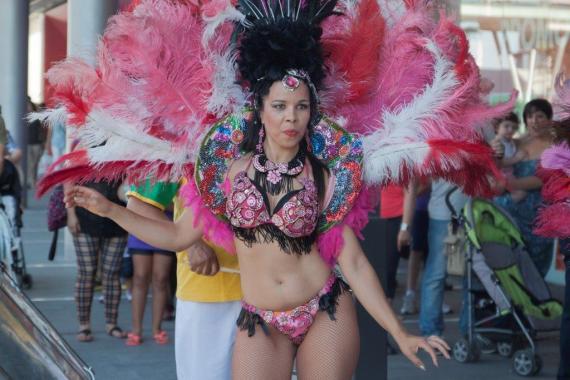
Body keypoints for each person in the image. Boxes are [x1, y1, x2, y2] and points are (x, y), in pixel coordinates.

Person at [126, 180, 242, 379]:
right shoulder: (174, 148)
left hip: (271, 294)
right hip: (207, 292)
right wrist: (191, 244)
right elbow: (137, 206)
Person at [494, 99, 555, 276]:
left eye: (540, 116)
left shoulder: (556, 146)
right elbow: (499, 166)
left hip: (539, 216)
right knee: (509, 267)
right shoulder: (517, 142)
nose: (534, 121)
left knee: (536, 268)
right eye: (529, 116)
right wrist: (495, 153)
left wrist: (510, 185)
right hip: (511, 212)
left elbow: (543, 179)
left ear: (549, 120)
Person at [66, 179, 129, 342]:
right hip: (85, 218)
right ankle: (84, 325)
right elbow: (68, 180)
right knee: (86, 273)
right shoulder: (81, 152)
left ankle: (111, 324)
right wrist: (71, 214)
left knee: (112, 273)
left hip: (117, 218)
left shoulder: (123, 153)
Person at [122, 182, 174, 346]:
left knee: (161, 279)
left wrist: (157, 201)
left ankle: (157, 329)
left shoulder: (174, 167)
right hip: (141, 227)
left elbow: (178, 203)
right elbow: (125, 194)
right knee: (140, 277)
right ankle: (136, 330)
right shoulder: (140, 166)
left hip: (166, 226)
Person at [493, 112, 527, 202]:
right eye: (506, 126)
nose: (510, 130)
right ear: (497, 127)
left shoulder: (511, 141)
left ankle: (503, 203)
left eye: (514, 128)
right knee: (519, 194)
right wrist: (517, 158)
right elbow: (500, 163)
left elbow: (520, 140)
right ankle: (498, 203)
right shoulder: (497, 142)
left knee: (521, 194)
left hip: (509, 174)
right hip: (499, 175)